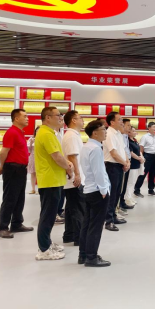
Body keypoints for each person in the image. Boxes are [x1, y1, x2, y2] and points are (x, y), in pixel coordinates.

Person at [35, 107, 74, 261]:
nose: (61, 118)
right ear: (48, 117)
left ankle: (47, 243)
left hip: (54, 179)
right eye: (58, 115)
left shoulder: (49, 133)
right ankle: (44, 249)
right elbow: (57, 157)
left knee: (50, 215)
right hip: (50, 180)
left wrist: (66, 165)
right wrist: (69, 167)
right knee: (48, 216)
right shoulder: (46, 134)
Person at [0, 109, 34, 239]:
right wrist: (2, 166)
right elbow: (3, 152)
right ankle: (3, 227)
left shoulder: (19, 132)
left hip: (20, 169)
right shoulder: (12, 132)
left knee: (19, 198)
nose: (27, 118)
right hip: (12, 169)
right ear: (16, 118)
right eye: (25, 116)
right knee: (10, 198)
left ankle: (17, 223)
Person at [79, 120, 111, 268]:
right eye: (103, 129)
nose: (105, 132)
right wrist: (104, 190)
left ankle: (83, 254)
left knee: (87, 224)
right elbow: (98, 172)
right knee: (95, 226)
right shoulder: (96, 149)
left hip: (89, 189)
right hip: (97, 191)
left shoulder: (86, 146)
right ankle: (91, 257)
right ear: (95, 133)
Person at [62, 110, 86, 246]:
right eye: (80, 118)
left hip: (73, 177)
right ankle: (79, 237)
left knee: (72, 207)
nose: (83, 120)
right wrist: (77, 174)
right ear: (74, 120)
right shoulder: (71, 136)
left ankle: (69, 234)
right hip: (74, 178)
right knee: (78, 207)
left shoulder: (73, 135)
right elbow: (72, 156)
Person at [103, 112, 130, 232]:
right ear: (112, 122)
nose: (121, 122)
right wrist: (124, 163)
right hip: (112, 166)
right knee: (112, 194)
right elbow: (113, 153)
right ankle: (108, 221)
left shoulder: (118, 133)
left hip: (119, 165)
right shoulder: (109, 134)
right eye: (119, 119)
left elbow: (122, 150)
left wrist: (127, 161)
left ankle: (113, 216)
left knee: (117, 193)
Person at [134, 122, 155, 197]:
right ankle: (137, 190)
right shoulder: (145, 137)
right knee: (143, 173)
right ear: (149, 128)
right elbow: (141, 147)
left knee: (152, 173)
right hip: (147, 156)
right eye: (153, 127)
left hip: (154, 156)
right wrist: (141, 156)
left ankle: (151, 190)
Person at [124, 127, 145, 206]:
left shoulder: (135, 141)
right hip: (132, 164)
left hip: (137, 164)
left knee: (133, 182)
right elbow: (131, 153)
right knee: (130, 182)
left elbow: (139, 151)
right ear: (129, 133)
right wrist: (139, 158)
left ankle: (130, 196)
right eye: (133, 131)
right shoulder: (128, 142)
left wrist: (141, 158)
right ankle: (127, 198)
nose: (135, 132)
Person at [119, 119, 135, 211]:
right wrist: (125, 162)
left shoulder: (125, 136)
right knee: (121, 185)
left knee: (124, 184)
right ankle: (119, 205)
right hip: (123, 162)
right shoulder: (120, 136)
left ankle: (122, 202)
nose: (130, 127)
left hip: (127, 161)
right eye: (128, 125)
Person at [28, 127, 39, 195]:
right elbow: (29, 150)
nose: (38, 132)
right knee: (33, 173)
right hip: (32, 157)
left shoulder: (43, 139)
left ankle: (39, 189)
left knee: (39, 174)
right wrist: (31, 142)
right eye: (37, 131)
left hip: (40, 158)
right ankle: (33, 189)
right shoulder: (31, 139)